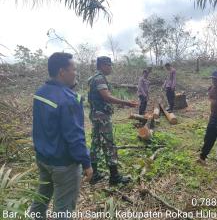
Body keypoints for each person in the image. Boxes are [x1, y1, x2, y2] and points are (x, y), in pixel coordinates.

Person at [30, 52, 92, 219]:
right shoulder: (69, 99)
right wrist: (86, 163)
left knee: (41, 197)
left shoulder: (40, 92)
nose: (76, 73)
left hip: (43, 158)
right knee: (63, 209)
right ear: (62, 72)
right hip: (64, 164)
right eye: (74, 69)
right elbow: (75, 137)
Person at [88, 56, 138, 185]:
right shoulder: (99, 78)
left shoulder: (93, 78)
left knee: (96, 142)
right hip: (102, 116)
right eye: (109, 65)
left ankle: (94, 174)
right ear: (102, 66)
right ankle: (114, 177)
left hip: (95, 115)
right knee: (109, 144)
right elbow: (106, 96)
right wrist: (127, 103)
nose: (111, 68)